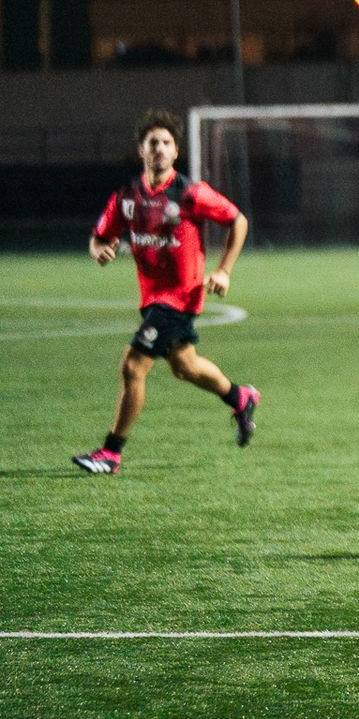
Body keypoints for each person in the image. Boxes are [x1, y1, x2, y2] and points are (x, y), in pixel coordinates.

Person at [72, 109, 260, 474]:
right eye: (152, 143)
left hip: (181, 298)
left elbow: (238, 221)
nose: (159, 148)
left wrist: (223, 271)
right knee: (185, 367)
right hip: (153, 300)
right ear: (141, 151)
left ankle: (111, 453)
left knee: (132, 365)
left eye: (166, 143)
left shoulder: (190, 193)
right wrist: (99, 250)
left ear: (176, 152)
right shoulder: (127, 196)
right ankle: (241, 397)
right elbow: (99, 237)